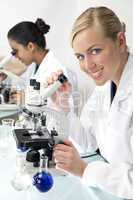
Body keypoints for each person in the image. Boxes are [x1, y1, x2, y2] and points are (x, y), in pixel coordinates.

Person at [52, 6, 133, 199]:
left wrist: (85, 170)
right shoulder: (105, 86)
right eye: (80, 56)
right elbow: (90, 141)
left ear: (120, 41)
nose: (88, 65)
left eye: (95, 51)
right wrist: (65, 109)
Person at [7, 18, 76, 132]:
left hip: (55, 135)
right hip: (35, 127)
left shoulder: (58, 70)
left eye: (15, 51)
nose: (15, 56)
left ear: (30, 46)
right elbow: (27, 88)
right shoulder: (34, 67)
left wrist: (27, 100)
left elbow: (65, 112)